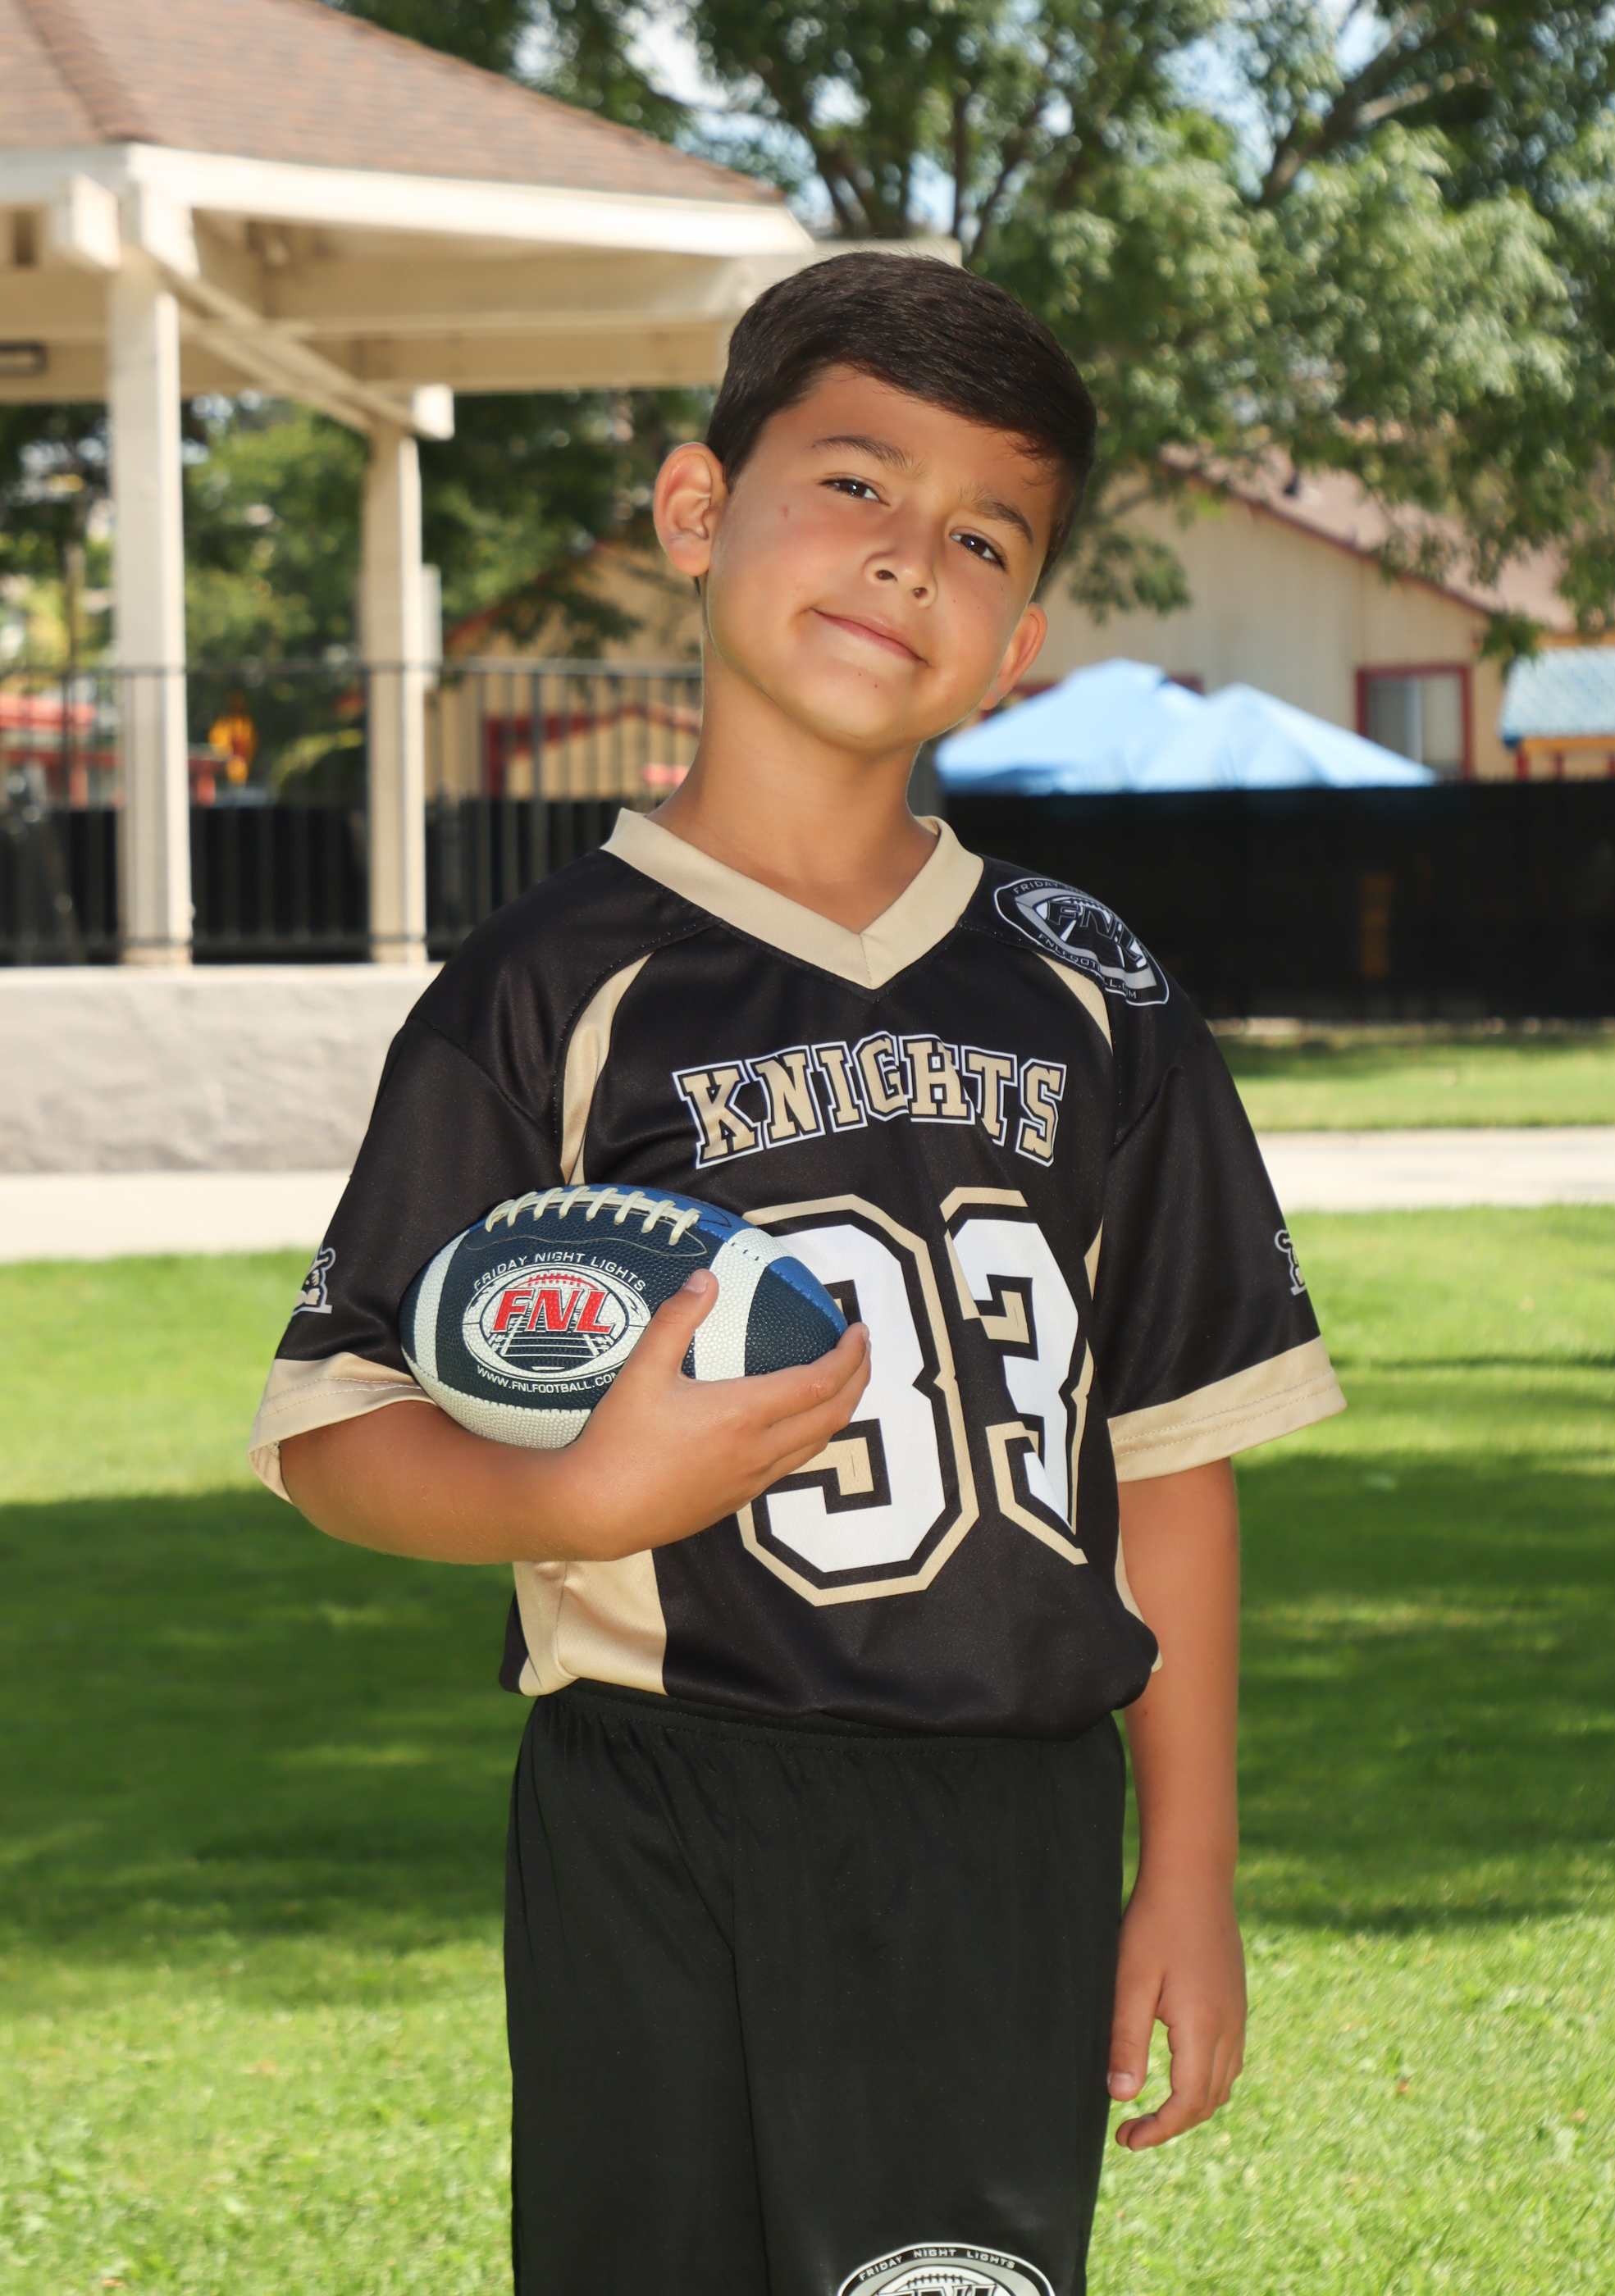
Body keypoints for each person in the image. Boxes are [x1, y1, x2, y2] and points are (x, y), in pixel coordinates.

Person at [251, 252, 1344, 2296]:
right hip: (653, 1803)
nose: (909, 555)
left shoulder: (1093, 992)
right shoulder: (542, 989)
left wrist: (1186, 1864)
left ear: (1017, 644)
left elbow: (1172, 1450)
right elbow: (336, 1428)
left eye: (982, 536)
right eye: (853, 482)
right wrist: (583, 1491)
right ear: (697, 508)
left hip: (1003, 1820)